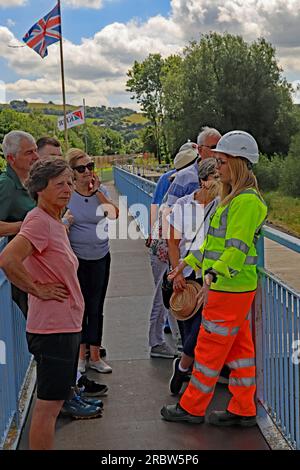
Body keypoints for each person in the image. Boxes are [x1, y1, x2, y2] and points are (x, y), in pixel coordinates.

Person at [161, 130, 267, 426]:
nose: (215, 167)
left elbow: (236, 248)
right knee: (240, 349)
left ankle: (192, 407)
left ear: (238, 163)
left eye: (221, 161)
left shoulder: (244, 202)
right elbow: (213, 245)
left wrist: (210, 275)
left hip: (227, 287)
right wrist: (187, 261)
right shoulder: (232, 198)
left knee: (207, 349)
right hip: (231, 285)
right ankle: (243, 409)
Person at [0, 158, 103, 450]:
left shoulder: (52, 220)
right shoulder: (39, 221)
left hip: (62, 325)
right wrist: (37, 289)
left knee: (54, 403)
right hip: (53, 329)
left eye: (69, 183)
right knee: (48, 408)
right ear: (40, 189)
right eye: (59, 184)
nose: (68, 190)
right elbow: (7, 259)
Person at [167, 158, 221, 394]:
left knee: (200, 330)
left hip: (208, 275)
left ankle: (182, 368)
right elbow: (173, 241)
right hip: (185, 274)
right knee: (189, 330)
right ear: (202, 180)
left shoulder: (222, 206)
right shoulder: (183, 204)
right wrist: (176, 271)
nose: (217, 183)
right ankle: (189, 370)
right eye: (213, 178)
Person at [66, 148, 119, 374]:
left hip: (100, 256)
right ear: (72, 173)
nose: (87, 171)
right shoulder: (67, 194)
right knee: (80, 308)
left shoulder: (101, 191)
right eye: (81, 168)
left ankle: (95, 356)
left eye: (90, 166)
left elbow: (114, 214)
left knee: (96, 307)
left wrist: (98, 192)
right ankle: (80, 356)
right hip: (77, 259)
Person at [148, 145, 199, 359]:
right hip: (168, 245)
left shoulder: (167, 179)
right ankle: (157, 341)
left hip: (163, 241)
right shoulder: (184, 180)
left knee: (167, 292)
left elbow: (155, 206)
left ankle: (175, 339)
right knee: (165, 293)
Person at [0, 131, 39, 316]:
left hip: (33, 265)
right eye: (29, 153)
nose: (36, 156)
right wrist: (24, 225)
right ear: (11, 158)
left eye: (36, 150)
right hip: (17, 270)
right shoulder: (6, 185)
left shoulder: (30, 182)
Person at [166, 127, 221, 207]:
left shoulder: (227, 175)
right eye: (213, 147)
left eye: (220, 147)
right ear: (200, 149)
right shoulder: (183, 176)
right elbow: (170, 211)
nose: (218, 152)